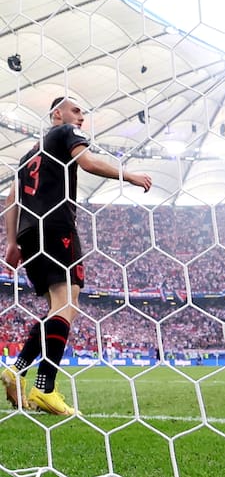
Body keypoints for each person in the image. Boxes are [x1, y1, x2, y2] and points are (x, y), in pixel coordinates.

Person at [2, 96, 152, 415]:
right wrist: (129, 175)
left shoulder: (28, 156)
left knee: (59, 308)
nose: (81, 117)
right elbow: (88, 163)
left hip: (29, 234)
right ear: (57, 114)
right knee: (66, 305)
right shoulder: (64, 132)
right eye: (76, 110)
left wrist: (12, 242)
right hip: (57, 226)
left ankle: (16, 369)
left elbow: (12, 199)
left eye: (82, 112)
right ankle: (45, 388)